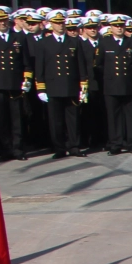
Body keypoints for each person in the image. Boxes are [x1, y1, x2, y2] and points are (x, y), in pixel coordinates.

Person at [0, 4, 33, 161]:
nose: (2, 23)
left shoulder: (19, 37)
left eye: (4, 20)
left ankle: (17, 149)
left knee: (17, 119)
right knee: (1, 119)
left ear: (9, 20)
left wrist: (27, 80)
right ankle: (5, 149)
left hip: (15, 83)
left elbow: (26, 62)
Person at [35, 10, 87, 159]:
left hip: (71, 85)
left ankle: (74, 146)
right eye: (57, 23)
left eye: (62, 23)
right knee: (55, 120)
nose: (60, 25)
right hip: (53, 86)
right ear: (51, 24)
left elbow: (81, 65)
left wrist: (83, 85)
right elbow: (40, 67)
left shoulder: (74, 41)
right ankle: (59, 147)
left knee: (73, 119)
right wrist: (41, 88)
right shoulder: (44, 43)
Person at [94, 15, 132, 154]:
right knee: (113, 117)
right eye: (116, 26)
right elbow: (98, 64)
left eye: (121, 25)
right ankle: (116, 144)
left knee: (131, 116)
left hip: (128, 85)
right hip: (111, 85)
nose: (119, 28)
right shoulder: (104, 43)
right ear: (111, 27)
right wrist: (108, 78)